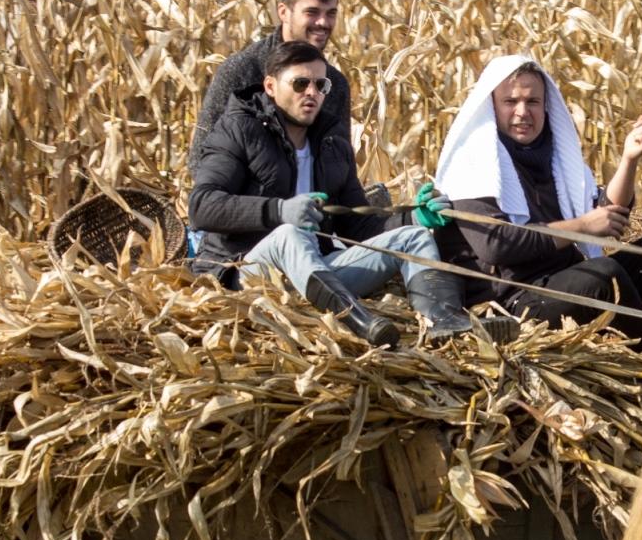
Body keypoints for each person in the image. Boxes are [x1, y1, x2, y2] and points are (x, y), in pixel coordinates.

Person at [189, 40, 514, 347]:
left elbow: (358, 228)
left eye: (321, 85)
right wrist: (278, 211)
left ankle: (444, 320)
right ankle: (361, 323)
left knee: (413, 238)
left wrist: (414, 216)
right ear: (271, 86)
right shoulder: (237, 130)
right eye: (300, 84)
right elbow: (202, 206)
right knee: (289, 234)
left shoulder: (332, 143)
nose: (312, 93)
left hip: (315, 274)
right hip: (246, 273)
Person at [432, 55, 642, 353]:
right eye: (510, 101)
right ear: (492, 106)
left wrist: (629, 159)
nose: (522, 112)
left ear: (545, 106)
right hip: (515, 303)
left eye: (532, 102)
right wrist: (580, 227)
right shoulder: (473, 163)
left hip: (566, 279)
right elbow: (496, 246)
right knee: (604, 275)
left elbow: (608, 214)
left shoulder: (556, 160)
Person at [189, 0, 353, 180]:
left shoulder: (335, 85)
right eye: (311, 12)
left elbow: (340, 165)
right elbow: (200, 160)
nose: (322, 22)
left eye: (330, 13)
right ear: (283, 12)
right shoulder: (240, 71)